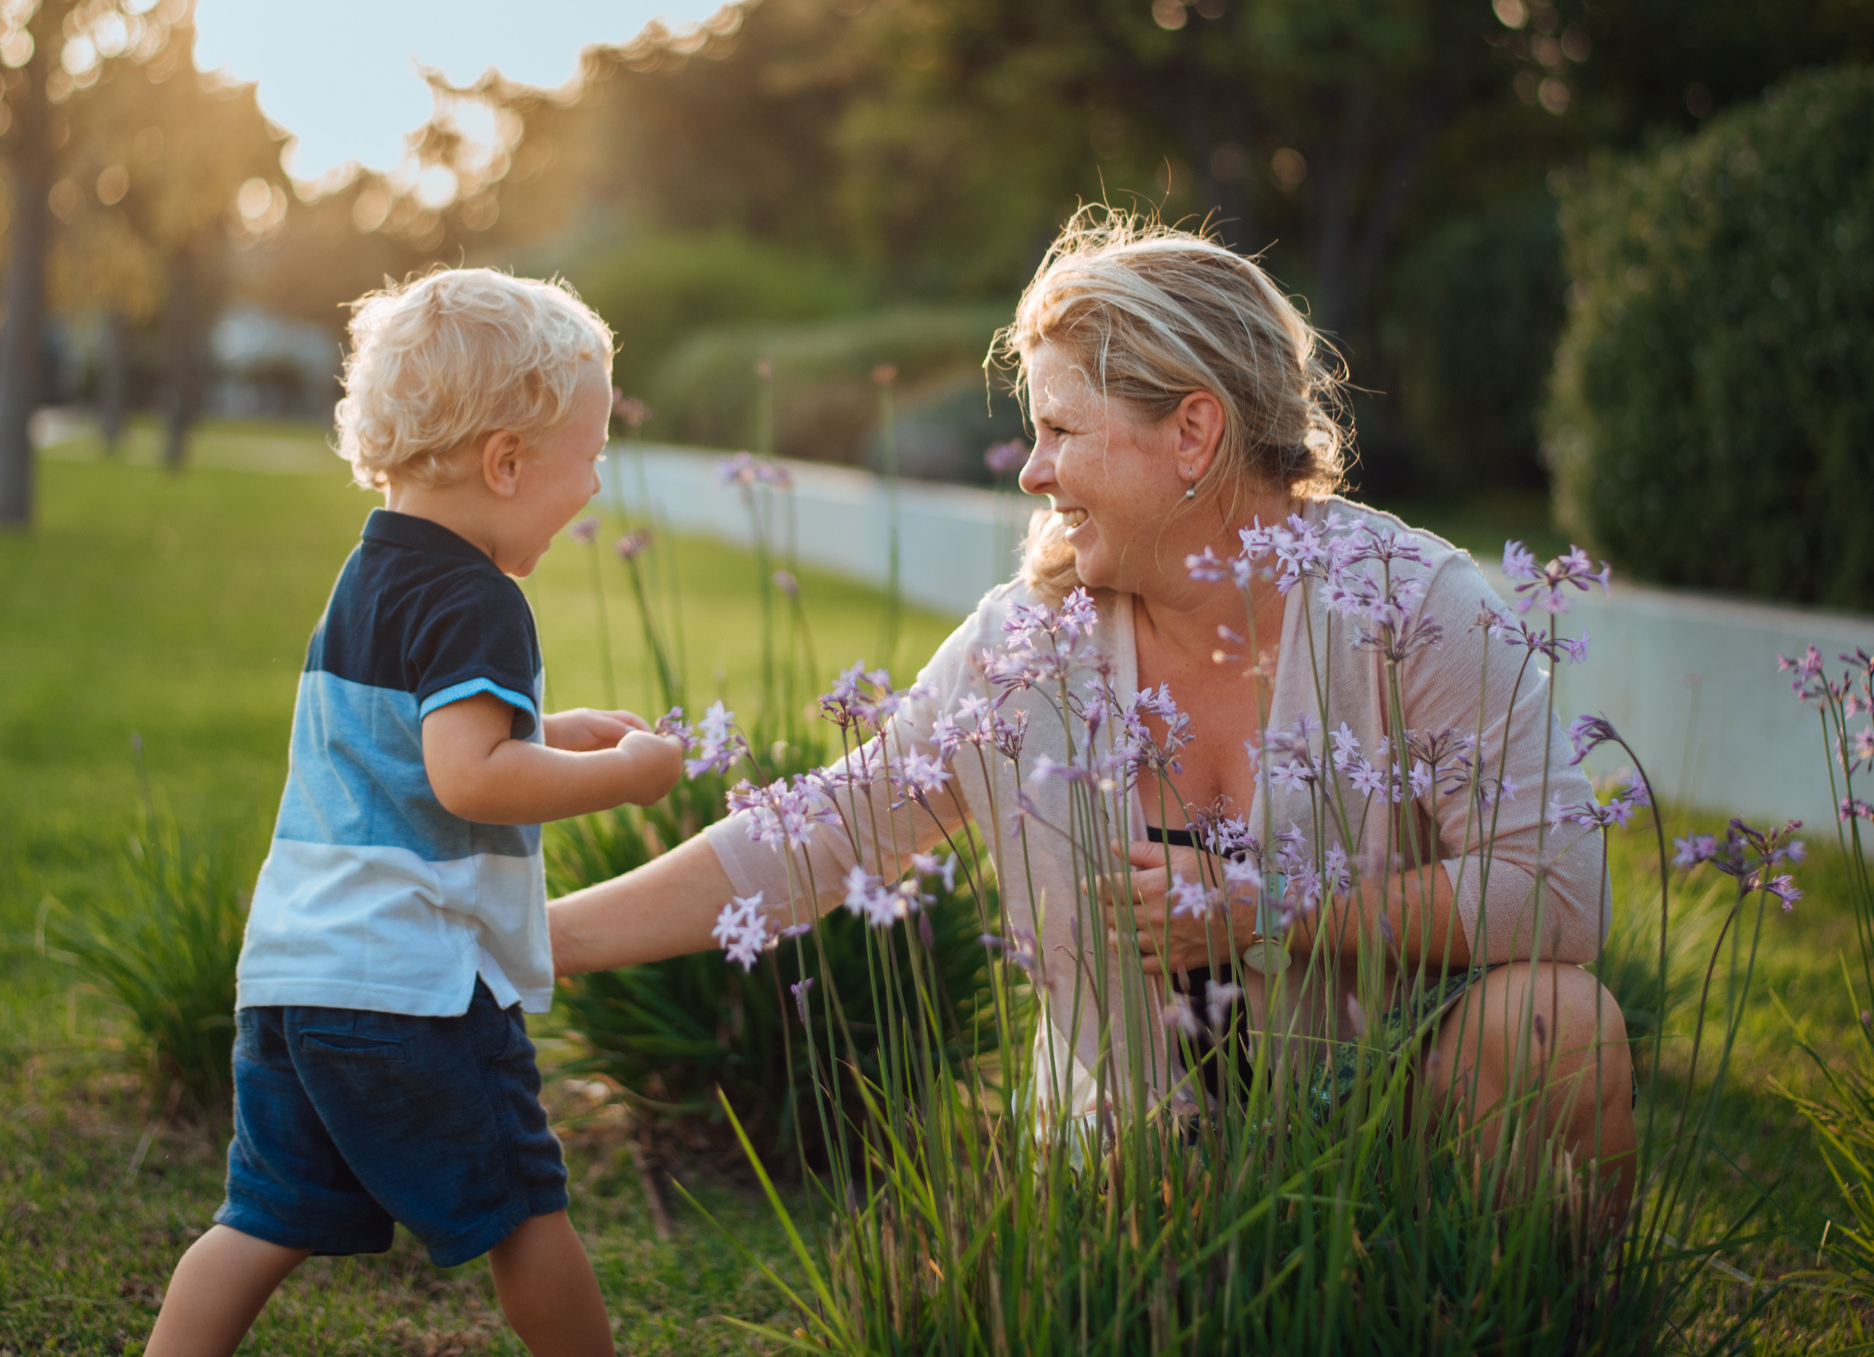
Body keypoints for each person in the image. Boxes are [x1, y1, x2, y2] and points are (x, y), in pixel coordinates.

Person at [548, 216, 1635, 1209]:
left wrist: (1271, 908)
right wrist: (539, 939)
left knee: (1559, 1027)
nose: (1031, 471)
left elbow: (1555, 887)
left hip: (1385, 1134)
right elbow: (831, 823)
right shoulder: (1032, 645)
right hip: (1131, 1169)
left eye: (1061, 428)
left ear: (1193, 432)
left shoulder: (1407, 604)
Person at [145, 268, 684, 1357]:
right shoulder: (480, 596)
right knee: (522, 1207)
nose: (594, 481)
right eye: (588, 454)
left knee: (259, 1217)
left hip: (298, 976)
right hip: (412, 986)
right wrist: (623, 776)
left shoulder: (372, 572)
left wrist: (554, 726)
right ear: (507, 460)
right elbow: (471, 778)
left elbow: (414, 746)